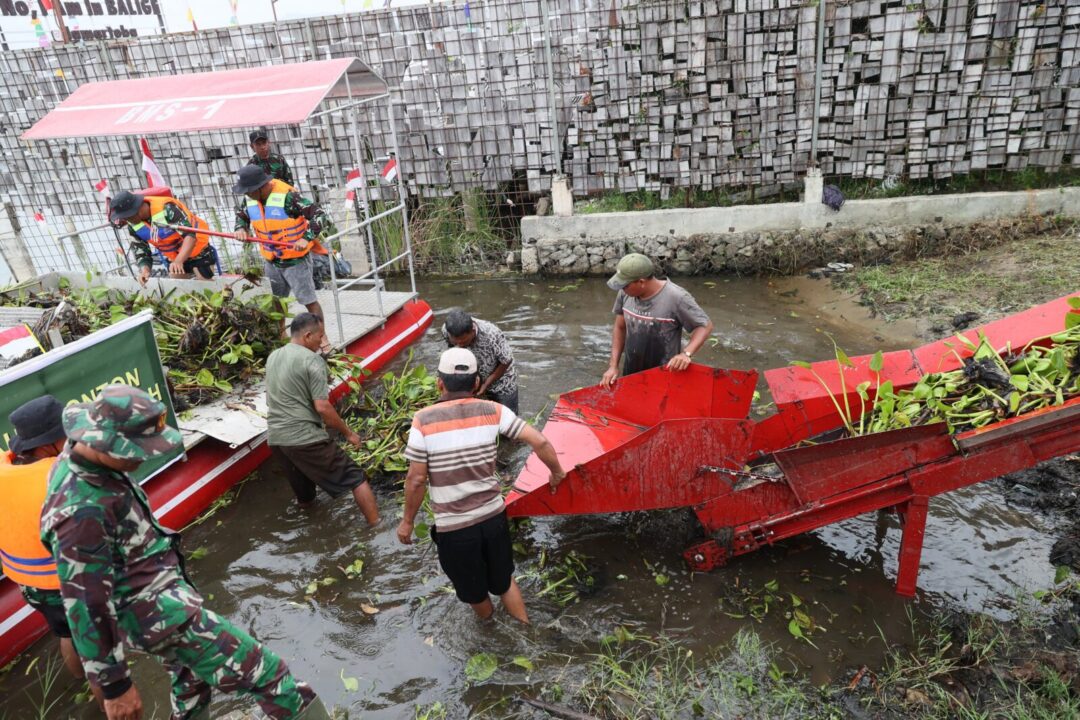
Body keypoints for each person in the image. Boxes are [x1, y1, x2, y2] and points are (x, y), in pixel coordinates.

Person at [40, 385, 329, 720]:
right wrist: (115, 687)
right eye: (134, 450)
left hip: (159, 596)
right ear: (102, 441)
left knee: (190, 686)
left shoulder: (82, 454)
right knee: (271, 677)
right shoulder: (79, 512)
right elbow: (86, 605)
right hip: (158, 614)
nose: (141, 457)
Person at [397, 348, 566, 624]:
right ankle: (526, 629)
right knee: (504, 580)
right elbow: (541, 442)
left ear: (439, 383)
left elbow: (416, 480)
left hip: (455, 529)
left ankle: (491, 632)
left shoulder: (422, 420)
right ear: (476, 383)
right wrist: (557, 473)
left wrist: (406, 521)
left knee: (475, 593)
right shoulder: (493, 411)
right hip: (493, 519)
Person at [0, 396, 103, 709]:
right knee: (99, 652)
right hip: (65, 583)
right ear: (48, 444)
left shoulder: (6, 470)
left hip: (28, 585)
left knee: (67, 633)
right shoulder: (58, 475)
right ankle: (109, 706)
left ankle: (80, 686)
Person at [265, 313, 379, 524]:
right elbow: (323, 407)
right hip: (304, 438)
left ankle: (312, 533)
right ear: (308, 336)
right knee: (357, 478)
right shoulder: (313, 360)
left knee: (306, 498)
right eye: (321, 337)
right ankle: (376, 526)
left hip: (276, 440)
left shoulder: (274, 356)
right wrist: (349, 434)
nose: (322, 342)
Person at [232, 164, 333, 353]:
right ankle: (281, 336)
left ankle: (322, 337)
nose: (247, 195)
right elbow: (241, 216)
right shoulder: (251, 199)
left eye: (250, 191)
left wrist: (306, 238)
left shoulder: (288, 197)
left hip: (295, 260)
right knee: (276, 301)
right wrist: (240, 228)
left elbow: (319, 215)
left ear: (261, 187)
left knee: (308, 300)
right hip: (271, 260)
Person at [601, 253, 714, 389]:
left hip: (664, 374)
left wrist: (686, 354)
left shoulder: (676, 297)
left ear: (641, 282)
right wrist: (613, 367)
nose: (622, 289)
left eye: (625, 285)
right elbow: (620, 327)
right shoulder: (625, 293)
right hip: (632, 371)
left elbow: (704, 325)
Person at [109, 189, 215, 285]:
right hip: (174, 257)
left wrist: (179, 261)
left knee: (204, 281)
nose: (126, 221)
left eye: (127, 217)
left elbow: (190, 235)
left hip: (197, 250)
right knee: (178, 284)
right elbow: (141, 252)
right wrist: (145, 270)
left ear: (136, 209)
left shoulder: (167, 208)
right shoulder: (133, 226)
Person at [441, 309, 520, 413]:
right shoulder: (446, 330)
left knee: (508, 414)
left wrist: (485, 385)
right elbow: (452, 349)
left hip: (502, 381)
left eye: (464, 342)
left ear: (473, 331)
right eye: (456, 342)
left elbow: (506, 360)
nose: (460, 345)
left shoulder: (492, 334)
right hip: (472, 379)